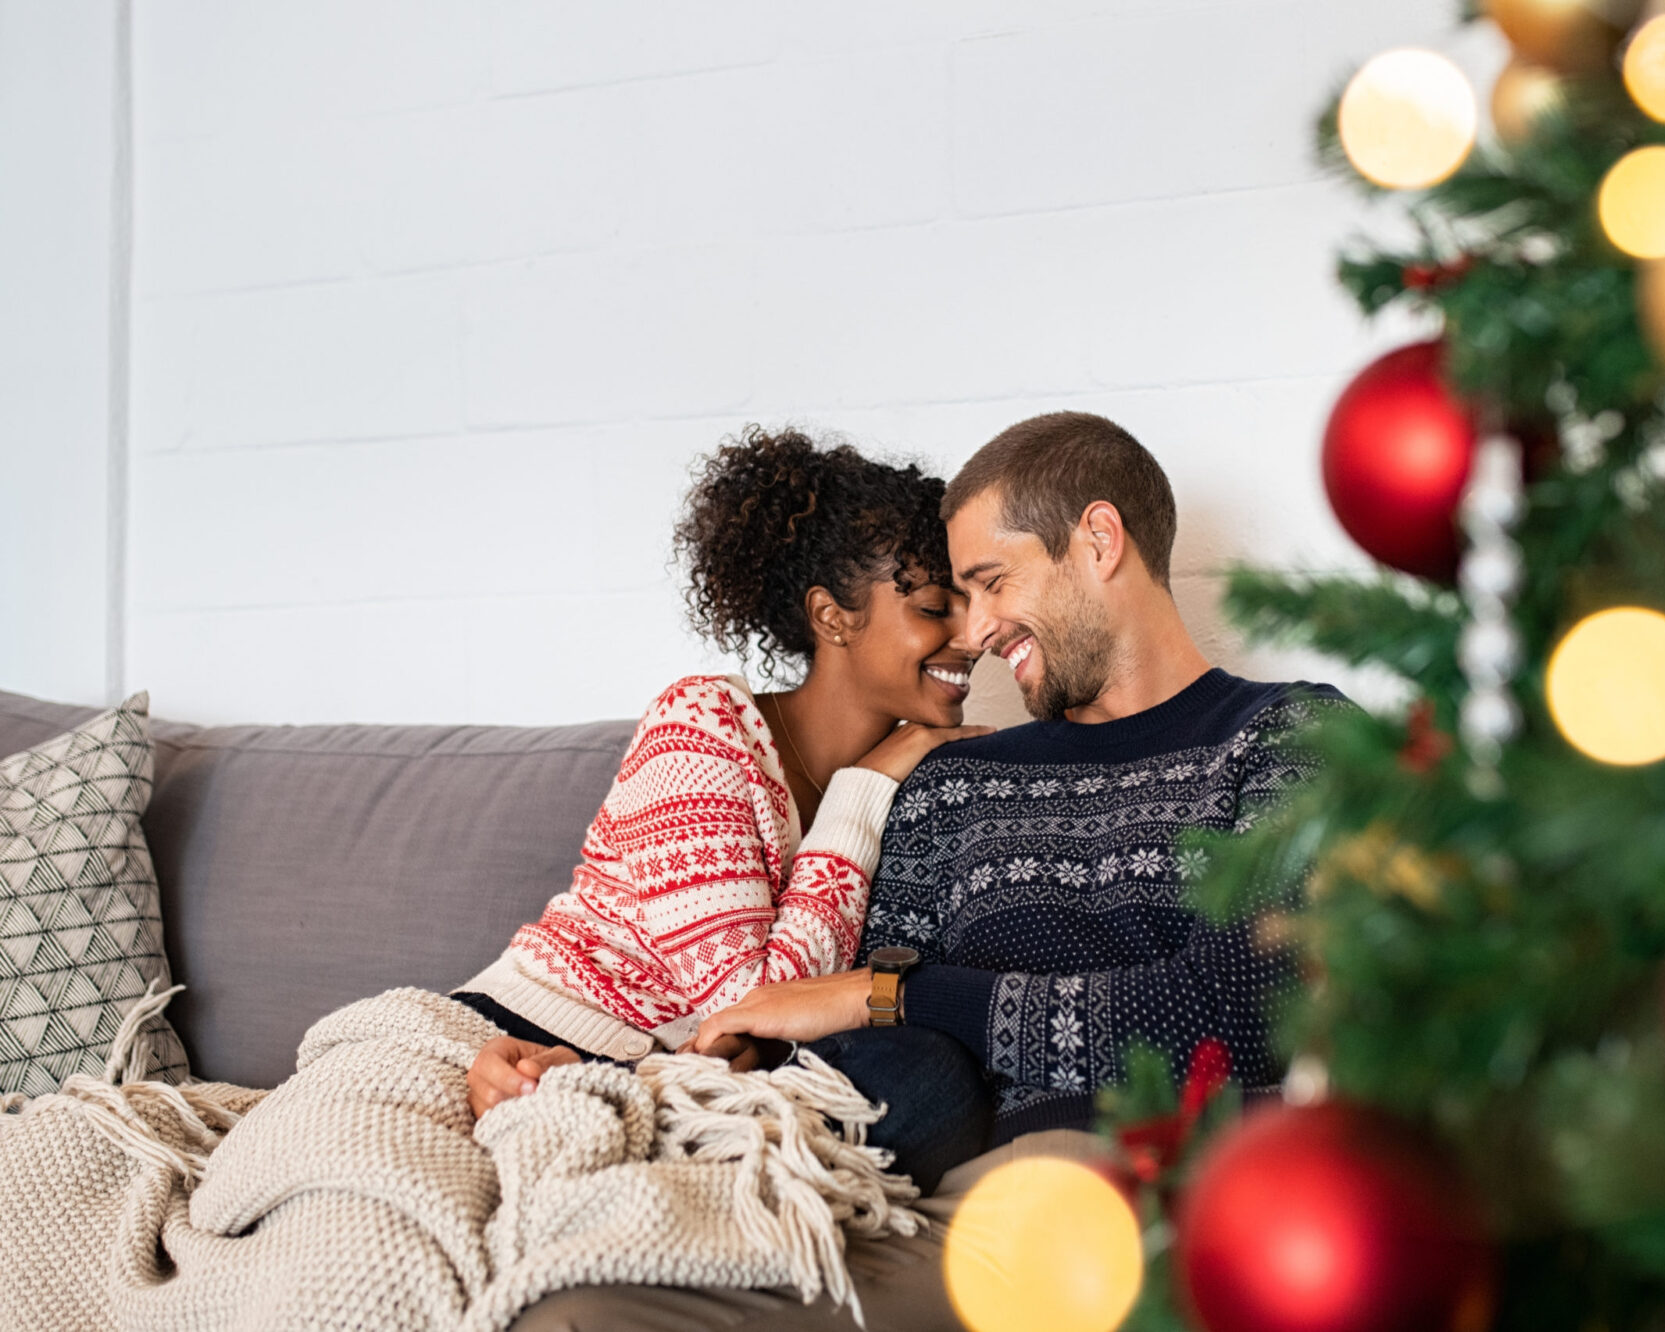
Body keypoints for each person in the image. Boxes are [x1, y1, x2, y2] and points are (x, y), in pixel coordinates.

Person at [693, 411, 1345, 1144]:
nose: (973, 635)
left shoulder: (1287, 736)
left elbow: (1245, 1014)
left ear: (1100, 541)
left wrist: (910, 995)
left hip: (1212, 1172)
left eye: (992, 582)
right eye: (961, 599)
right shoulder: (954, 785)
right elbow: (874, 1045)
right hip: (978, 1200)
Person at [456, 425, 994, 1190]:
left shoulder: (931, 774)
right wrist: (864, 788)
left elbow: (780, 1027)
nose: (973, 637)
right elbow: (755, 1005)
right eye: (939, 606)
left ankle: (665, 1154)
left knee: (930, 1080)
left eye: (973, 607)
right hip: (528, 1036)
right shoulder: (700, 728)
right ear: (832, 616)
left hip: (671, 1073)